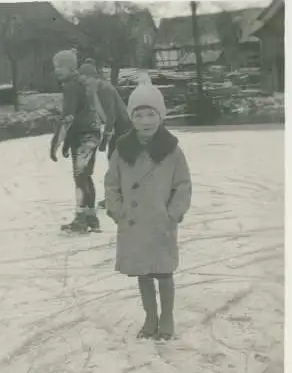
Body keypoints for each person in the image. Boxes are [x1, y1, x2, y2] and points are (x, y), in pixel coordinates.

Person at [104, 81, 192, 341]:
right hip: (134, 222)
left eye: (151, 114)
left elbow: (183, 184)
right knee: (143, 272)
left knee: (163, 272)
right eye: (139, 115)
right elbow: (111, 183)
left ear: (160, 116)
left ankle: (166, 318)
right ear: (131, 118)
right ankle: (150, 317)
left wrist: (172, 213)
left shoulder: (172, 150)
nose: (145, 121)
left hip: (160, 222)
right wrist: (117, 209)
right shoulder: (122, 149)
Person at [50, 50, 102, 233]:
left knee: (80, 177)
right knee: (85, 175)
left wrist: (56, 142)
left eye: (60, 66)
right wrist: (67, 143)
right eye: (55, 66)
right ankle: (91, 218)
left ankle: (81, 219)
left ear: (71, 67)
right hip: (91, 133)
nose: (56, 70)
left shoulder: (71, 86)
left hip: (84, 135)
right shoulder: (79, 84)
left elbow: (69, 117)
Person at [77, 62, 132, 208]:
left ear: (94, 77)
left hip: (123, 128)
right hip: (115, 130)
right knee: (114, 162)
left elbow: (111, 116)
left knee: (117, 162)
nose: (85, 84)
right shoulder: (93, 91)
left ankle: (120, 197)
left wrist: (105, 139)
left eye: (86, 80)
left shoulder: (105, 89)